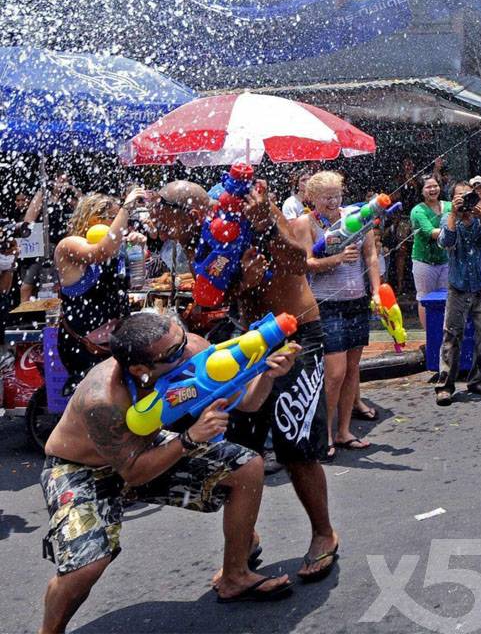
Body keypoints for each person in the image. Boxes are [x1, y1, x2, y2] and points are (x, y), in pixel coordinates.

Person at [39, 312, 300, 632]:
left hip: (146, 450)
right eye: (174, 353)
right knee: (86, 566)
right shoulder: (104, 399)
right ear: (140, 370)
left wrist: (269, 373)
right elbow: (133, 475)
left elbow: (246, 402)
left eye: (183, 338)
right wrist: (190, 439)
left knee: (246, 467)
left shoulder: (192, 348)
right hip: (81, 468)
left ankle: (235, 575)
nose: (187, 350)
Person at [151, 180, 339, 584]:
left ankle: (324, 532)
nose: (153, 217)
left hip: (296, 333)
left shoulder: (250, 209)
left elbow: (297, 263)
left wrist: (268, 226)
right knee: (238, 448)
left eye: (159, 207)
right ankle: (243, 544)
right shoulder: (196, 239)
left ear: (185, 209)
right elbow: (210, 304)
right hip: (247, 339)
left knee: (295, 443)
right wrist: (240, 286)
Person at [299, 171, 381, 460]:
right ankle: (323, 433)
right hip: (326, 304)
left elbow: (370, 255)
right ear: (312, 198)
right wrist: (335, 259)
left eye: (337, 195)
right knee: (333, 374)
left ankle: (344, 431)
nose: (334, 201)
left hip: (357, 300)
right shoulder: (306, 223)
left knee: (352, 369)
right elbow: (306, 263)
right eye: (327, 197)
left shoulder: (358, 215)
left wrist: (376, 291)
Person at [54, 190, 144, 392]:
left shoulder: (115, 245)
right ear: (94, 218)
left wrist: (136, 251)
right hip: (85, 345)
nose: (120, 223)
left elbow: (137, 282)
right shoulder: (69, 244)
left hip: (114, 343)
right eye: (113, 218)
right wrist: (126, 208)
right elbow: (102, 251)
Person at [434, 182, 481, 406]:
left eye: (468, 196)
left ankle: (478, 380)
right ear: (452, 199)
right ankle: (445, 386)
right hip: (458, 286)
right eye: (459, 196)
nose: (465, 200)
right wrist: (455, 215)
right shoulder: (447, 218)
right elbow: (446, 242)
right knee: (451, 337)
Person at [410, 175, 451, 331]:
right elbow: (430, 232)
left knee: (446, 297)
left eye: (435, 186)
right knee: (425, 298)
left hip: (445, 260)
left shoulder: (449, 206)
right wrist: (454, 231)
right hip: (424, 261)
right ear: (421, 191)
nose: (433, 189)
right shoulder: (418, 210)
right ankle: (430, 335)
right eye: (428, 187)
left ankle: (444, 332)